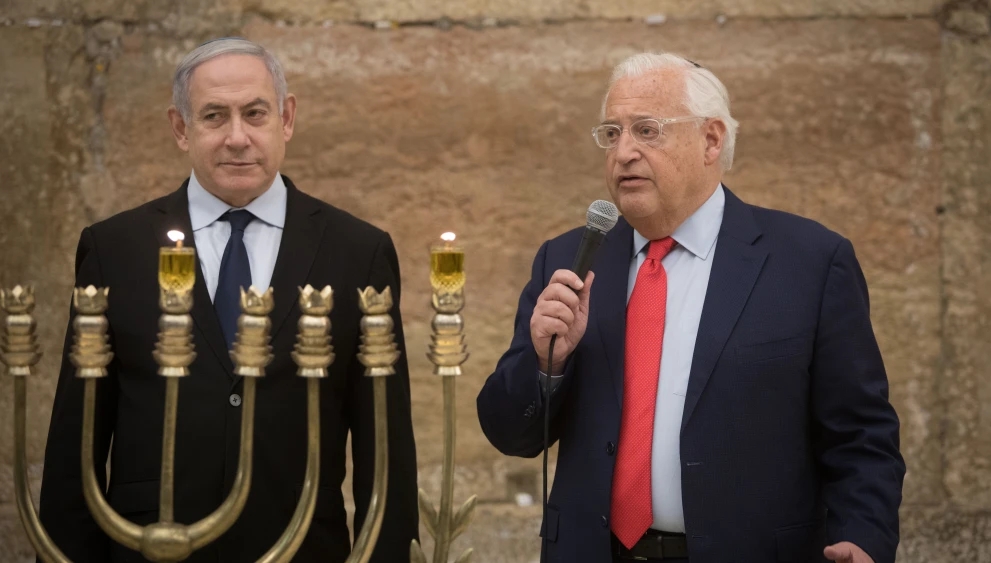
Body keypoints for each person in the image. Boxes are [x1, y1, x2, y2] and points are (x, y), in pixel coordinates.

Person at [477, 53, 905, 563]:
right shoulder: (568, 258)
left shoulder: (808, 262)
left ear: (711, 140)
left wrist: (864, 537)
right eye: (611, 134)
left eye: (647, 131)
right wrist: (548, 366)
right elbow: (510, 432)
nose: (624, 153)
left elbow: (861, 435)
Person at [38, 37, 419, 562]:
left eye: (255, 114)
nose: (237, 138)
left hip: (301, 548)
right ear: (181, 128)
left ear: (286, 119)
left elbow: (387, 451)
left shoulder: (357, 252)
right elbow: (73, 447)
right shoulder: (114, 249)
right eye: (214, 116)